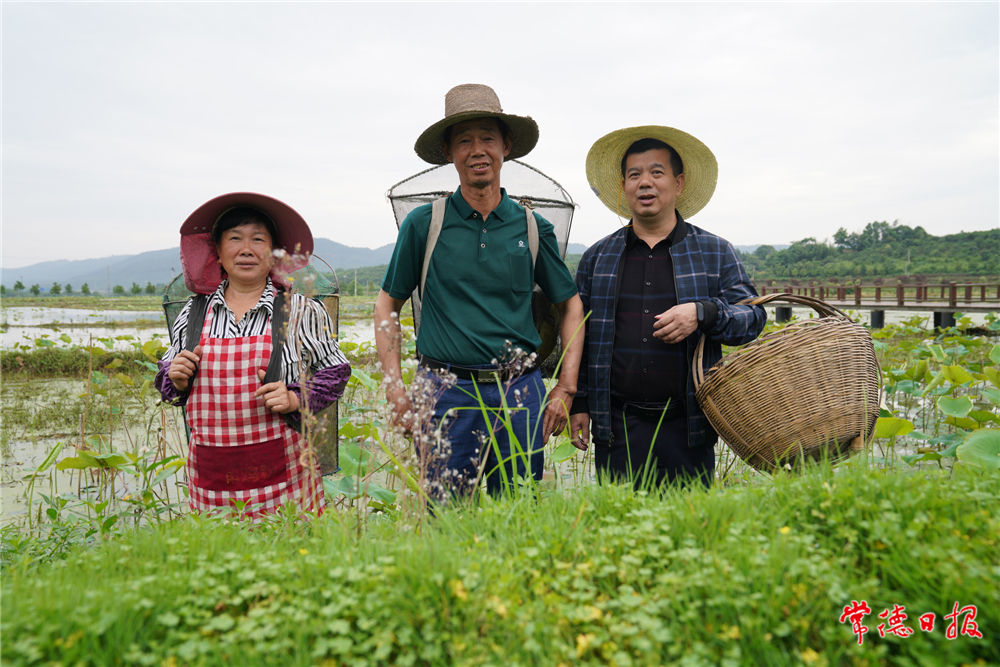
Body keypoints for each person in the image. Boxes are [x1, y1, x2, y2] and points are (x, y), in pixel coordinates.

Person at [375, 84, 585, 498]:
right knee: (445, 514)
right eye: (464, 140)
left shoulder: (531, 227)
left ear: (506, 146)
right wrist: (395, 385)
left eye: (487, 137)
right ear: (449, 152)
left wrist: (565, 386)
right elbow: (387, 303)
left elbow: (571, 304)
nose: (477, 150)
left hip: (520, 391)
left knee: (518, 511)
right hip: (443, 390)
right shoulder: (424, 225)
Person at [570, 126, 766, 489]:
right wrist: (578, 402)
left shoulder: (714, 251)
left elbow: (752, 318)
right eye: (634, 174)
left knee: (688, 534)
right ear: (623, 186)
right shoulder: (597, 257)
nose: (645, 182)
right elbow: (579, 337)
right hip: (617, 426)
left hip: (687, 424)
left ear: (678, 184)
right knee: (618, 534)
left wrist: (704, 312)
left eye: (656, 172)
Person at [155, 192, 351, 519]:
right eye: (235, 238)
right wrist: (176, 377)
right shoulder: (192, 313)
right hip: (212, 478)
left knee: (291, 554)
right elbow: (168, 384)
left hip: (286, 474)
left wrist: (294, 398)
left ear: (275, 254)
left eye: (258, 239)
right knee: (220, 560)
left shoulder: (302, 310)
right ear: (216, 251)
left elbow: (335, 372)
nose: (246, 249)